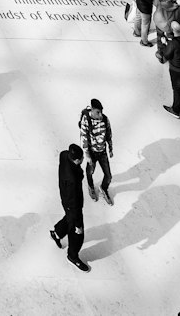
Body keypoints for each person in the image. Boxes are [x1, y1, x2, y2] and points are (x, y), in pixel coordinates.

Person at [50, 143, 90, 271]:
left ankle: (57, 233)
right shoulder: (72, 180)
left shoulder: (64, 155)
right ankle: (72, 256)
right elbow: (75, 205)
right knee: (77, 234)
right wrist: (78, 225)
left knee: (68, 218)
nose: (83, 160)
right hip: (71, 203)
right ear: (77, 160)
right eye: (82, 158)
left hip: (64, 198)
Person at [78, 98, 113, 202]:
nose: (100, 114)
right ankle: (91, 187)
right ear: (92, 110)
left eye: (101, 111)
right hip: (92, 152)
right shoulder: (86, 120)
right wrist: (87, 155)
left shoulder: (105, 119)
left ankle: (104, 188)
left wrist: (110, 148)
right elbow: (83, 137)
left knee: (108, 176)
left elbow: (109, 134)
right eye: (98, 112)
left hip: (102, 152)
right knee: (90, 171)